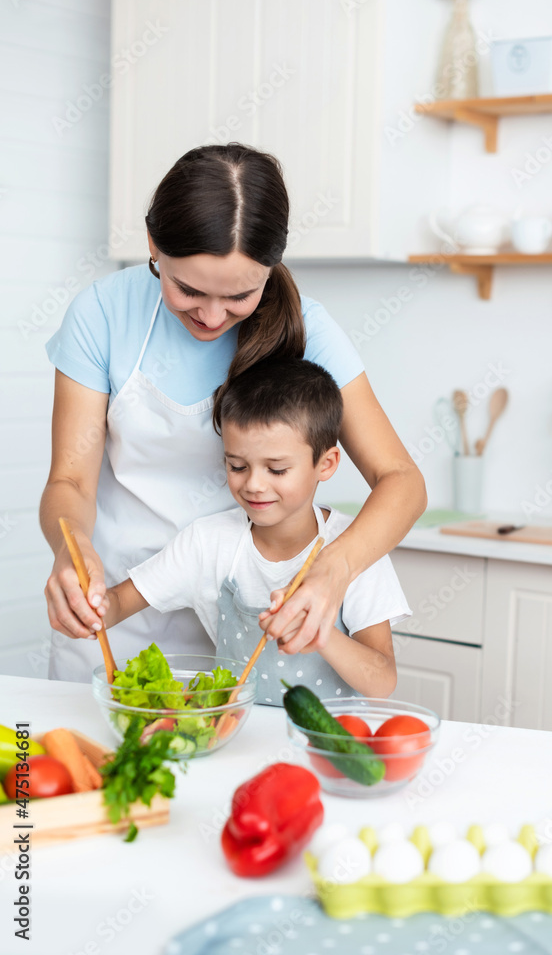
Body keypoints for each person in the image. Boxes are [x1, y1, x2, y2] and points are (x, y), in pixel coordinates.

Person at [41, 143, 426, 682]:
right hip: (114, 605)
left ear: (272, 268)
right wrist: (70, 547)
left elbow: (402, 480)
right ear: (153, 244)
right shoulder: (103, 313)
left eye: (241, 295)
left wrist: (333, 570)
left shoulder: (309, 330)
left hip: (240, 623)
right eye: (188, 290)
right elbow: (69, 482)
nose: (212, 316)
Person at [76, 359, 409, 703]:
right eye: (237, 465)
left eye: (277, 470)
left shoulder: (357, 546)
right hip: (236, 739)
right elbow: (118, 604)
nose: (253, 484)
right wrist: (89, 602)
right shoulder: (208, 543)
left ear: (325, 465)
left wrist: (320, 633)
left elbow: (382, 680)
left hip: (327, 746)